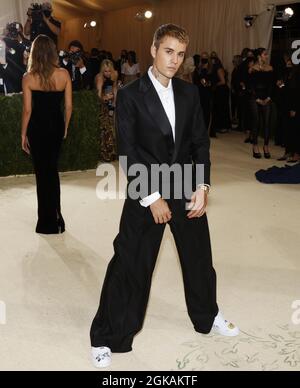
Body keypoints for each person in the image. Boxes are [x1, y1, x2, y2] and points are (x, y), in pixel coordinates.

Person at [90, 24, 239, 368]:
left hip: (185, 185)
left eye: (181, 54)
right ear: (154, 49)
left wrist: (202, 186)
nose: (174, 60)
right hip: (148, 189)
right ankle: (106, 335)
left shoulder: (189, 93)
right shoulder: (130, 94)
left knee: (199, 259)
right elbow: (128, 151)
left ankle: (207, 315)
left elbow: (200, 143)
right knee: (130, 264)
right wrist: (152, 197)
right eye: (168, 51)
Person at [21, 35, 72, 234]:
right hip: (56, 127)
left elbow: (27, 110)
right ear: (52, 51)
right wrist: (65, 127)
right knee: (52, 171)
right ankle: (57, 218)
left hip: (38, 128)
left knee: (42, 174)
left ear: (34, 53)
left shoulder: (28, 77)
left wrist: (23, 134)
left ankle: (46, 222)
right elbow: (68, 107)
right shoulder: (64, 74)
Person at [248, 48, 274, 159]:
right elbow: (250, 86)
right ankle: (255, 146)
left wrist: (268, 97)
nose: (266, 56)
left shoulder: (270, 68)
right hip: (254, 97)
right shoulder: (252, 69)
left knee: (267, 123)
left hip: (267, 97)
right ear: (259, 56)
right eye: (265, 54)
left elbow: (272, 85)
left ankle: (266, 146)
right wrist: (257, 98)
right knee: (256, 122)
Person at [95, 59, 118, 162]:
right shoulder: (99, 78)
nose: (108, 73)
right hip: (99, 105)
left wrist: (114, 103)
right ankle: (104, 155)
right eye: (105, 71)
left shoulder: (114, 75)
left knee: (111, 127)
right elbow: (98, 96)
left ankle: (111, 153)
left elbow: (115, 89)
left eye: (109, 71)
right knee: (105, 129)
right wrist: (105, 98)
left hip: (110, 103)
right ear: (102, 71)